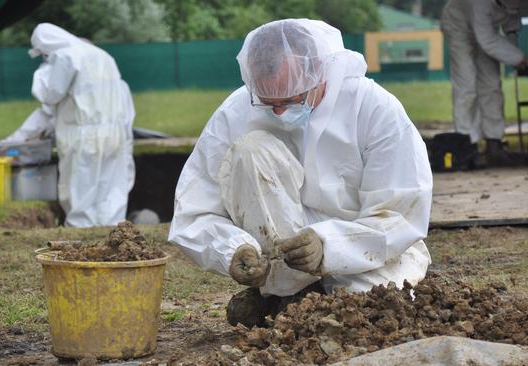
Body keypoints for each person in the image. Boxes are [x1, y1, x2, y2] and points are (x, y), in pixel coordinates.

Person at [168, 19, 433, 328]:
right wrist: (232, 249)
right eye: (269, 104)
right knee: (250, 149)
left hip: (369, 252)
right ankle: (287, 293)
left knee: (373, 308)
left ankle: (284, 303)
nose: (279, 113)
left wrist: (329, 247)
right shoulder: (237, 111)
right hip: (281, 266)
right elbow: (193, 211)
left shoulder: (373, 108)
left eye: (291, 100)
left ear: (321, 72)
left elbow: (400, 212)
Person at [0, 23, 136, 227]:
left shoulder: (65, 56)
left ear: (45, 47)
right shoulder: (103, 56)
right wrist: (10, 141)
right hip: (115, 136)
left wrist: (45, 70)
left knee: (80, 193)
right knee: (109, 190)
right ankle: (113, 234)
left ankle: (81, 236)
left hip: (82, 138)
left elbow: (49, 95)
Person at [441, 0, 528, 166]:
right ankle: (468, 147)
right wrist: (524, 60)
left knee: (492, 85)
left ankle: (494, 146)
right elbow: (488, 41)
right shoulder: (481, 4)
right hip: (458, 27)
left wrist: (518, 59)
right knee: (466, 86)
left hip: (486, 32)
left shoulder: (513, 4)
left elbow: (511, 28)